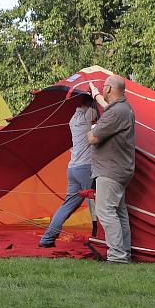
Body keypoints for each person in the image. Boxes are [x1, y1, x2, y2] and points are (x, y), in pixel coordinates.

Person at [87, 75, 136, 263]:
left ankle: (116, 257)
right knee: (119, 213)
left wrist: (90, 127)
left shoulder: (116, 113)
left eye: (103, 87)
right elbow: (108, 109)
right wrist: (95, 94)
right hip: (121, 169)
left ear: (109, 89)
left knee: (106, 212)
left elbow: (93, 138)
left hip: (110, 171)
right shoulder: (124, 108)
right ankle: (124, 254)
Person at [38, 94, 98, 248]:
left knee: (67, 205)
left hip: (72, 168)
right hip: (85, 167)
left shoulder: (73, 119)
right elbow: (99, 112)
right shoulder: (89, 115)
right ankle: (101, 237)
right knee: (101, 201)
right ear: (90, 104)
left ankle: (47, 239)